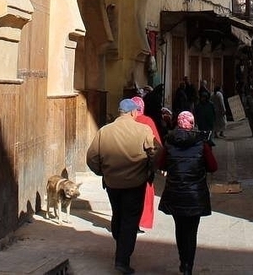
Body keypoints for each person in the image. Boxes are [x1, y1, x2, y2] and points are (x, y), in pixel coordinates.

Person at [86, 98, 159, 274]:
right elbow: (156, 152)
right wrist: (149, 170)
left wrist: (102, 172)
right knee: (130, 220)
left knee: (117, 214)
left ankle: (120, 245)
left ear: (120, 112)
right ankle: (122, 259)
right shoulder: (143, 130)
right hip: (135, 183)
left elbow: (91, 158)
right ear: (134, 112)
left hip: (112, 183)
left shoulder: (105, 131)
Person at [157, 110, 218, 275]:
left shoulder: (169, 142)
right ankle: (188, 267)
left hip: (175, 193)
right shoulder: (201, 144)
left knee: (180, 229)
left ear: (178, 123)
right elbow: (213, 166)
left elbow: (161, 164)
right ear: (192, 124)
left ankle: (183, 261)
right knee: (191, 232)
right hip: (195, 195)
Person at [130, 95, 162, 232]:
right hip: (143, 165)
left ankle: (125, 223)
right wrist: (158, 165)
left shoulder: (123, 122)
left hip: (125, 164)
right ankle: (138, 223)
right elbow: (157, 145)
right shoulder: (147, 121)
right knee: (143, 195)